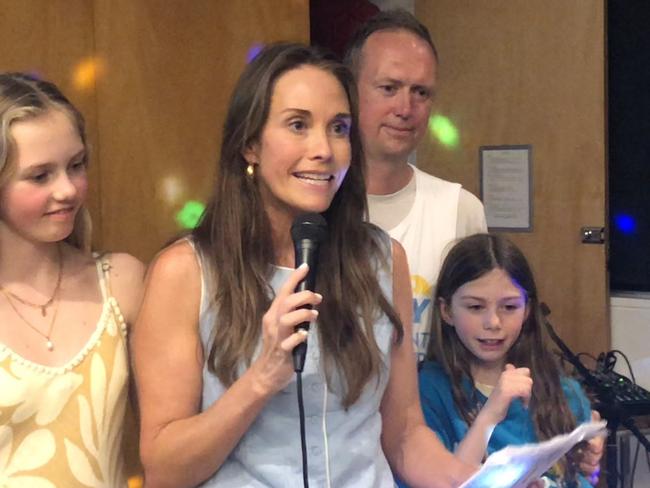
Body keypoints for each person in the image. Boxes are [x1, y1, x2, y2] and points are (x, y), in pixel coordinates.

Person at [132, 43, 476, 488]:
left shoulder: (382, 260)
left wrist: (477, 480)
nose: (323, 149)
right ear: (250, 144)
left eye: (338, 128)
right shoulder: (186, 271)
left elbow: (405, 432)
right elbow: (164, 470)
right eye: (298, 125)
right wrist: (261, 377)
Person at [0, 73, 144, 486]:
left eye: (76, 165)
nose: (67, 189)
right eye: (40, 175)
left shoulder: (121, 281)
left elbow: (168, 438)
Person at [344, 10, 487, 360]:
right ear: (349, 91)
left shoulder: (459, 209)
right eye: (389, 88)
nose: (405, 108)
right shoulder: (312, 206)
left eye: (421, 92)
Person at [416, 233, 604, 487]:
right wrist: (490, 414)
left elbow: (582, 478)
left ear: (527, 309)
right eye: (475, 307)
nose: (493, 322)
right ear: (447, 310)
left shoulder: (563, 393)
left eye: (509, 307)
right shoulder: (428, 391)